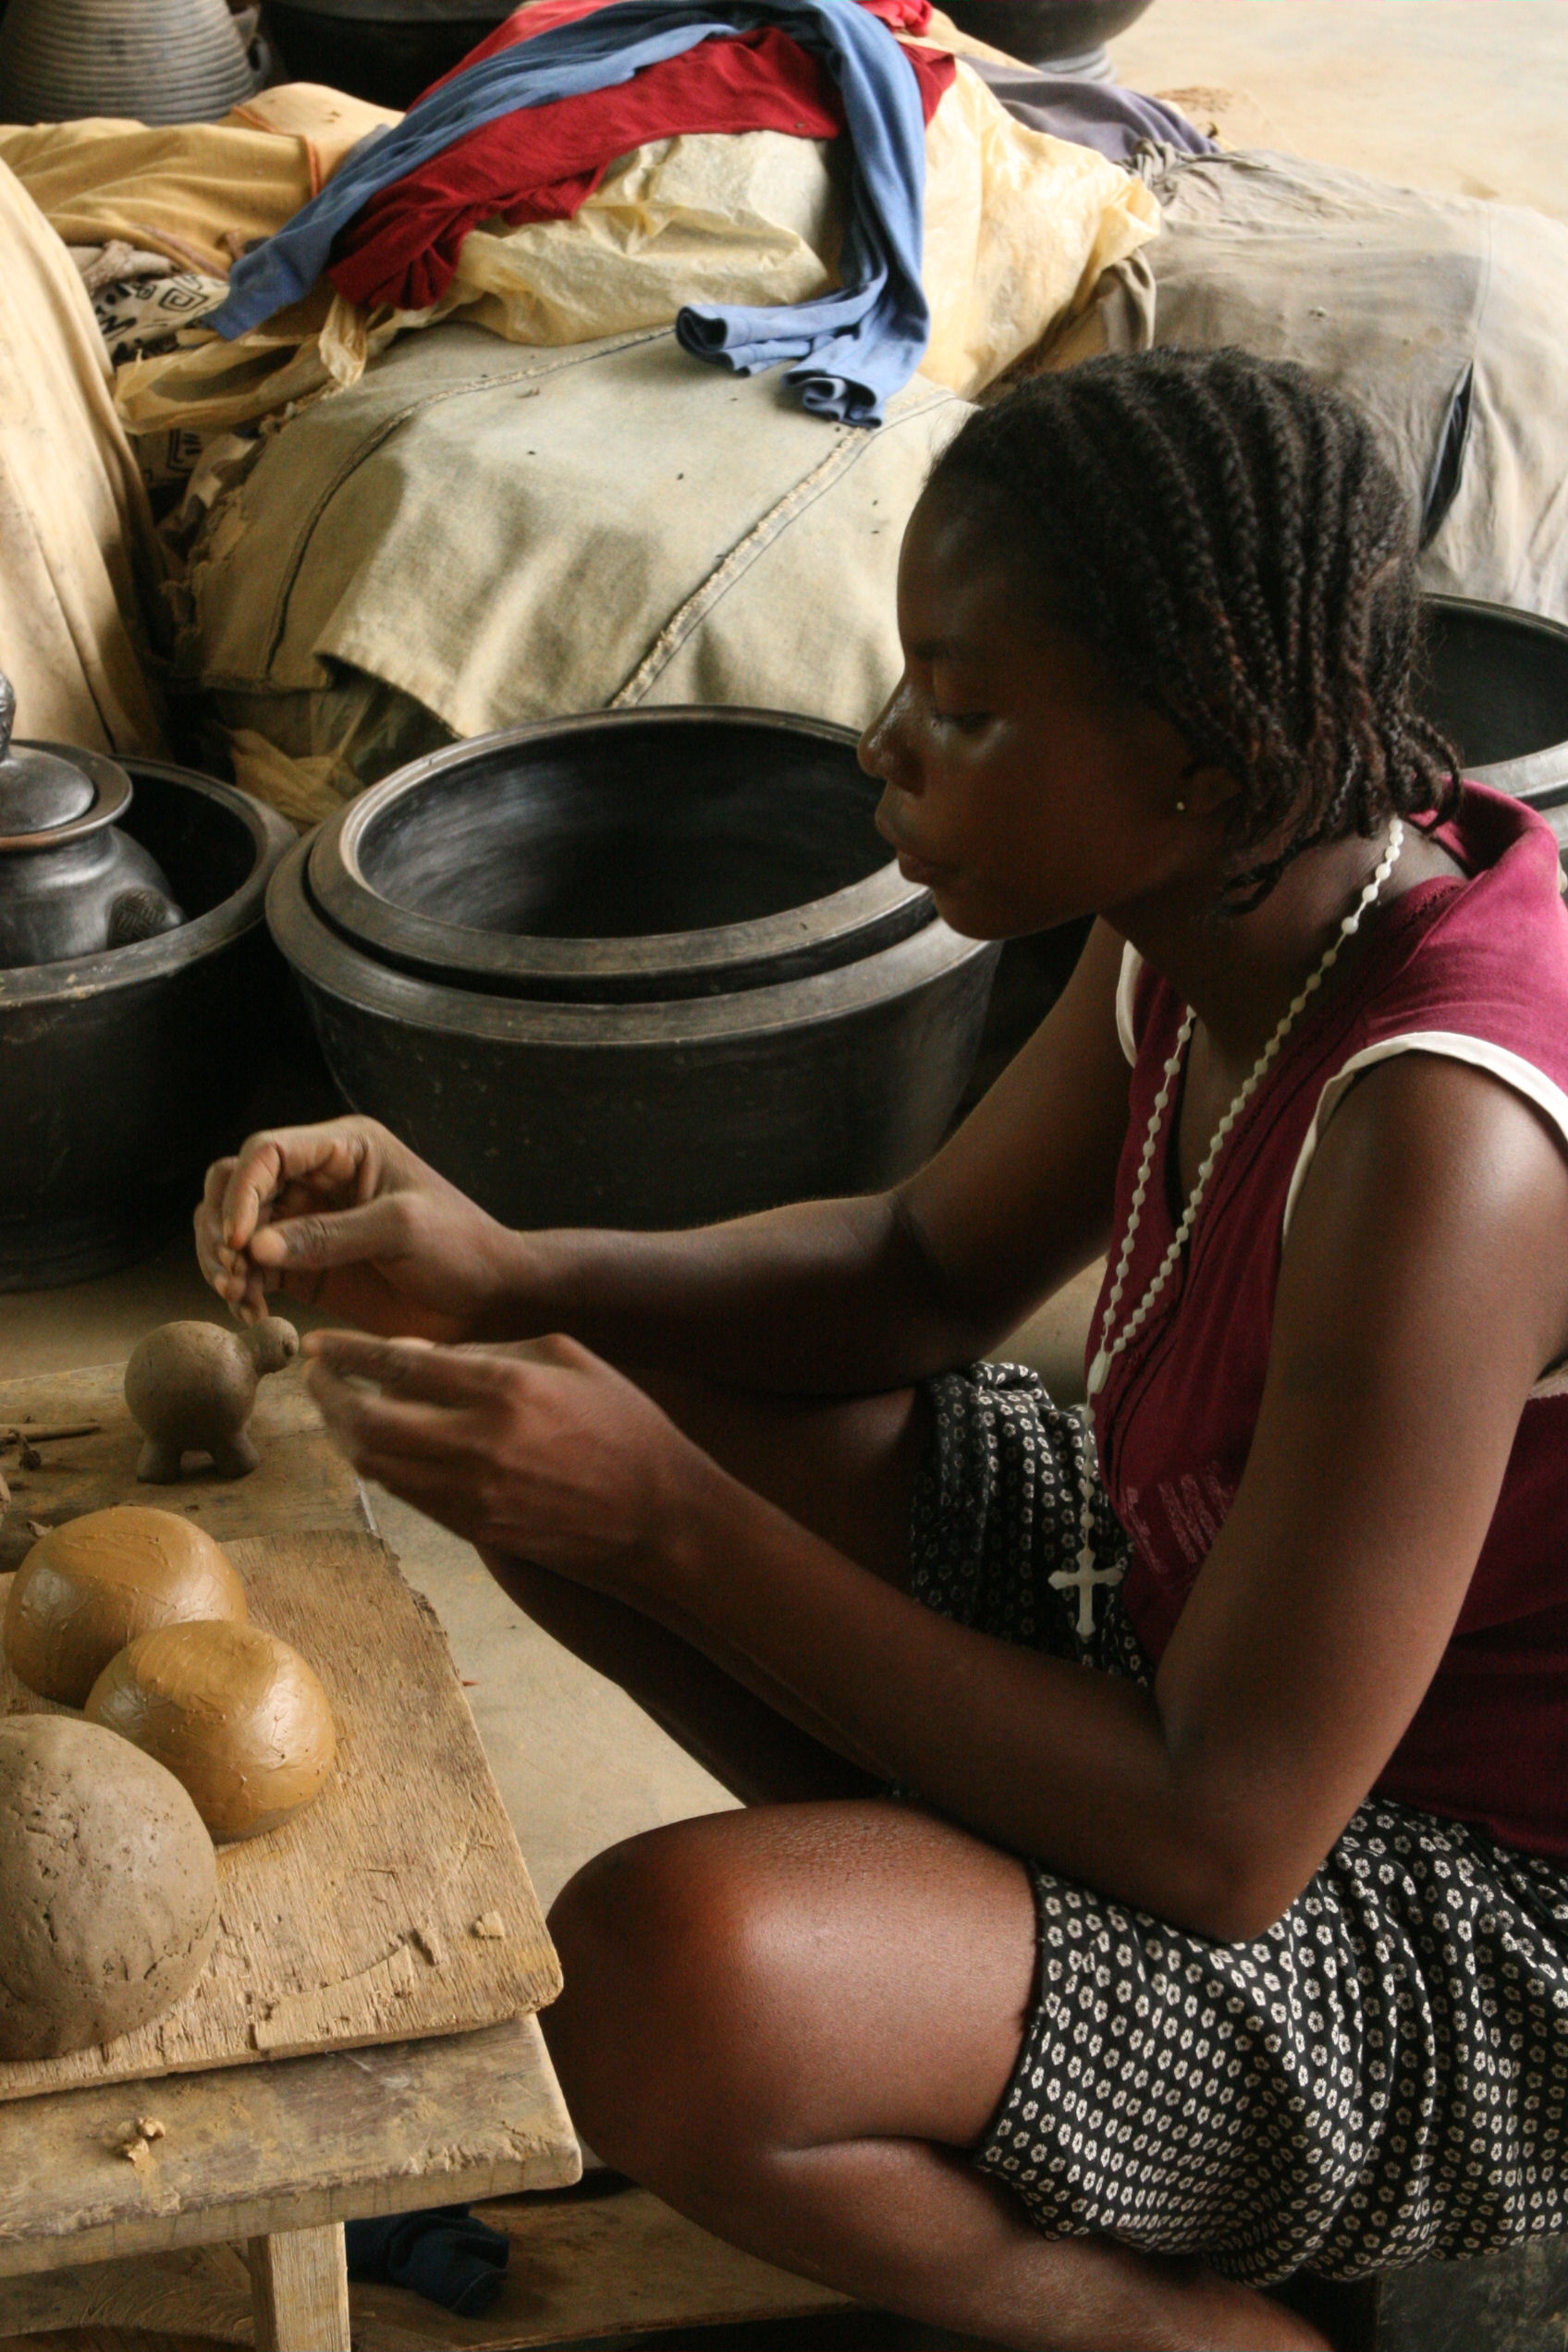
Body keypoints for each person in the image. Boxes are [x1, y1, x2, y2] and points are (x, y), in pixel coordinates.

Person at [195, 350, 1568, 2351]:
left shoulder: (1439, 1139)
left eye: (968, 703)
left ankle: (1186, 2328)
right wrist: (498, 1267)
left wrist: (671, 1524)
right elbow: (914, 1269)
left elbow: (1222, 1841)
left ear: (1196, 755)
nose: (885, 744)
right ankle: (952, 1961)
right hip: (1189, 1634)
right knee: (552, 1409)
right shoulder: (1217, 899)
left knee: (675, 1978)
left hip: (1452, 1918)